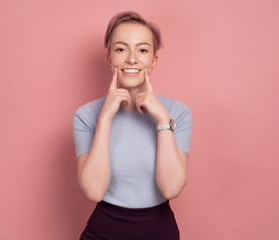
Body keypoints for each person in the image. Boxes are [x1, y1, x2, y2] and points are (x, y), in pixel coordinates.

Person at [73, 11, 192, 240]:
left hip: (160, 233)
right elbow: (94, 191)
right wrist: (105, 119)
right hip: (101, 233)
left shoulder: (178, 112)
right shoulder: (86, 116)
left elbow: (171, 189)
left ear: (154, 60)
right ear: (109, 58)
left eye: (143, 50)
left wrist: (163, 121)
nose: (131, 59)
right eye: (121, 49)